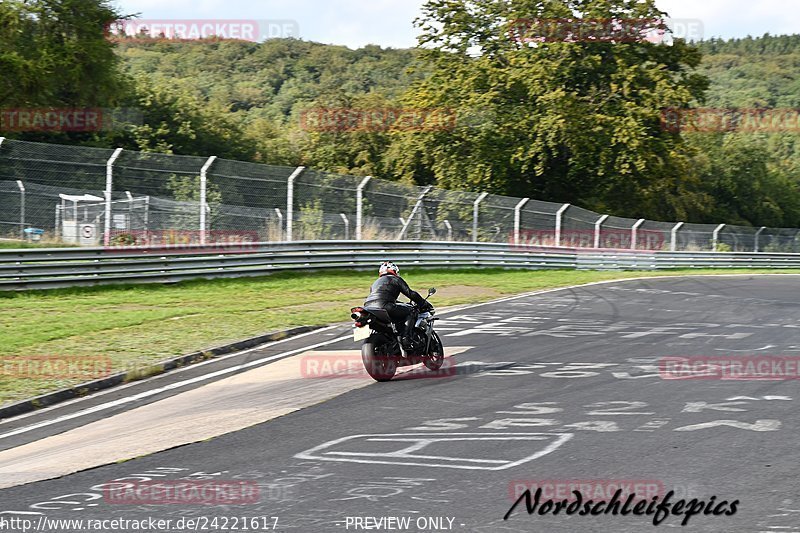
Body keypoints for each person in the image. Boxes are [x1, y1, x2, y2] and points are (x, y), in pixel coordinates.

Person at [364, 261, 430, 347]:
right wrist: (423, 303)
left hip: (368, 307)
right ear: (394, 271)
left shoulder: (375, 283)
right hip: (384, 306)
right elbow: (411, 293)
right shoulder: (395, 279)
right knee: (411, 311)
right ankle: (406, 338)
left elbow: (381, 297)